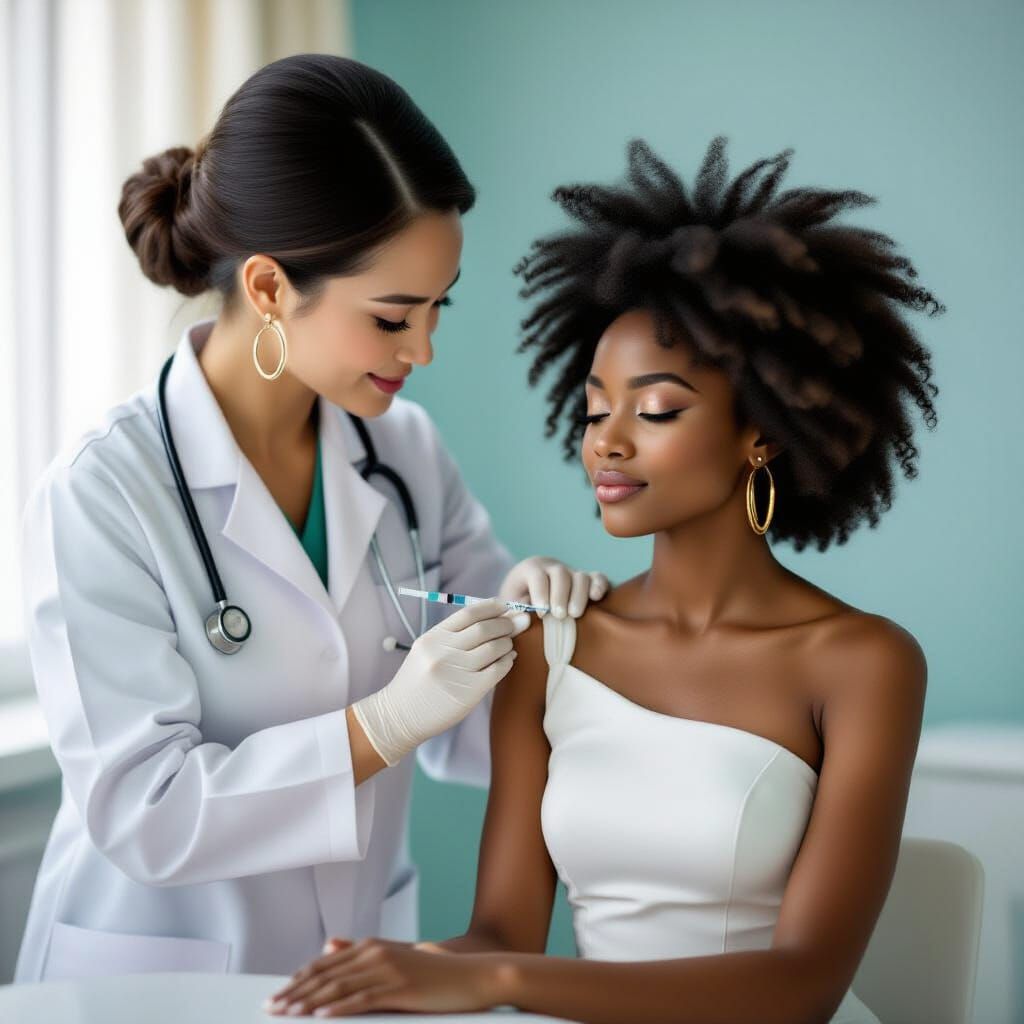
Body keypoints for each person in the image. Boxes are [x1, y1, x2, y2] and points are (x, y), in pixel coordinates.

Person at [267, 135, 942, 1023]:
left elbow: (802, 985)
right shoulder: (548, 645)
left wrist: (500, 982)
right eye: (593, 409)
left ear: (765, 431)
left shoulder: (865, 663)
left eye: (656, 409)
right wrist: (404, 967)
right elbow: (501, 933)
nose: (606, 442)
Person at [13, 53, 609, 984]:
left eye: (437, 307)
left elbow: (478, 726)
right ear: (266, 289)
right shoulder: (105, 490)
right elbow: (147, 811)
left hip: (350, 961)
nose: (424, 347)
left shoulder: (404, 454)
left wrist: (530, 628)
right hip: (155, 981)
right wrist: (385, 720)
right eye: (391, 317)